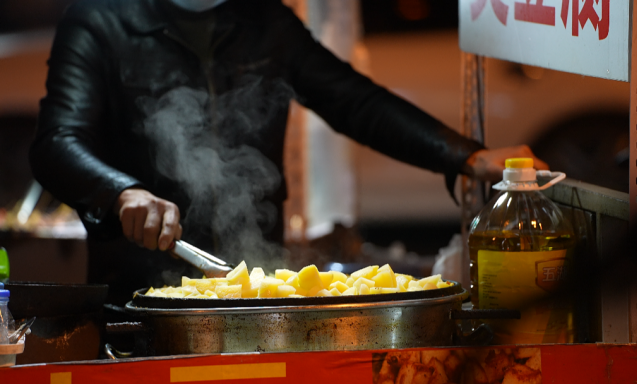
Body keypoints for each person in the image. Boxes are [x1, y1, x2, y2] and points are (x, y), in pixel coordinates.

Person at [29, 0, 547, 304]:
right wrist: (123, 193)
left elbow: (353, 100)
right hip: (138, 293)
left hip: (255, 287)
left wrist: (463, 155)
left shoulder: (262, 19)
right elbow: (56, 142)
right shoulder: (99, 21)